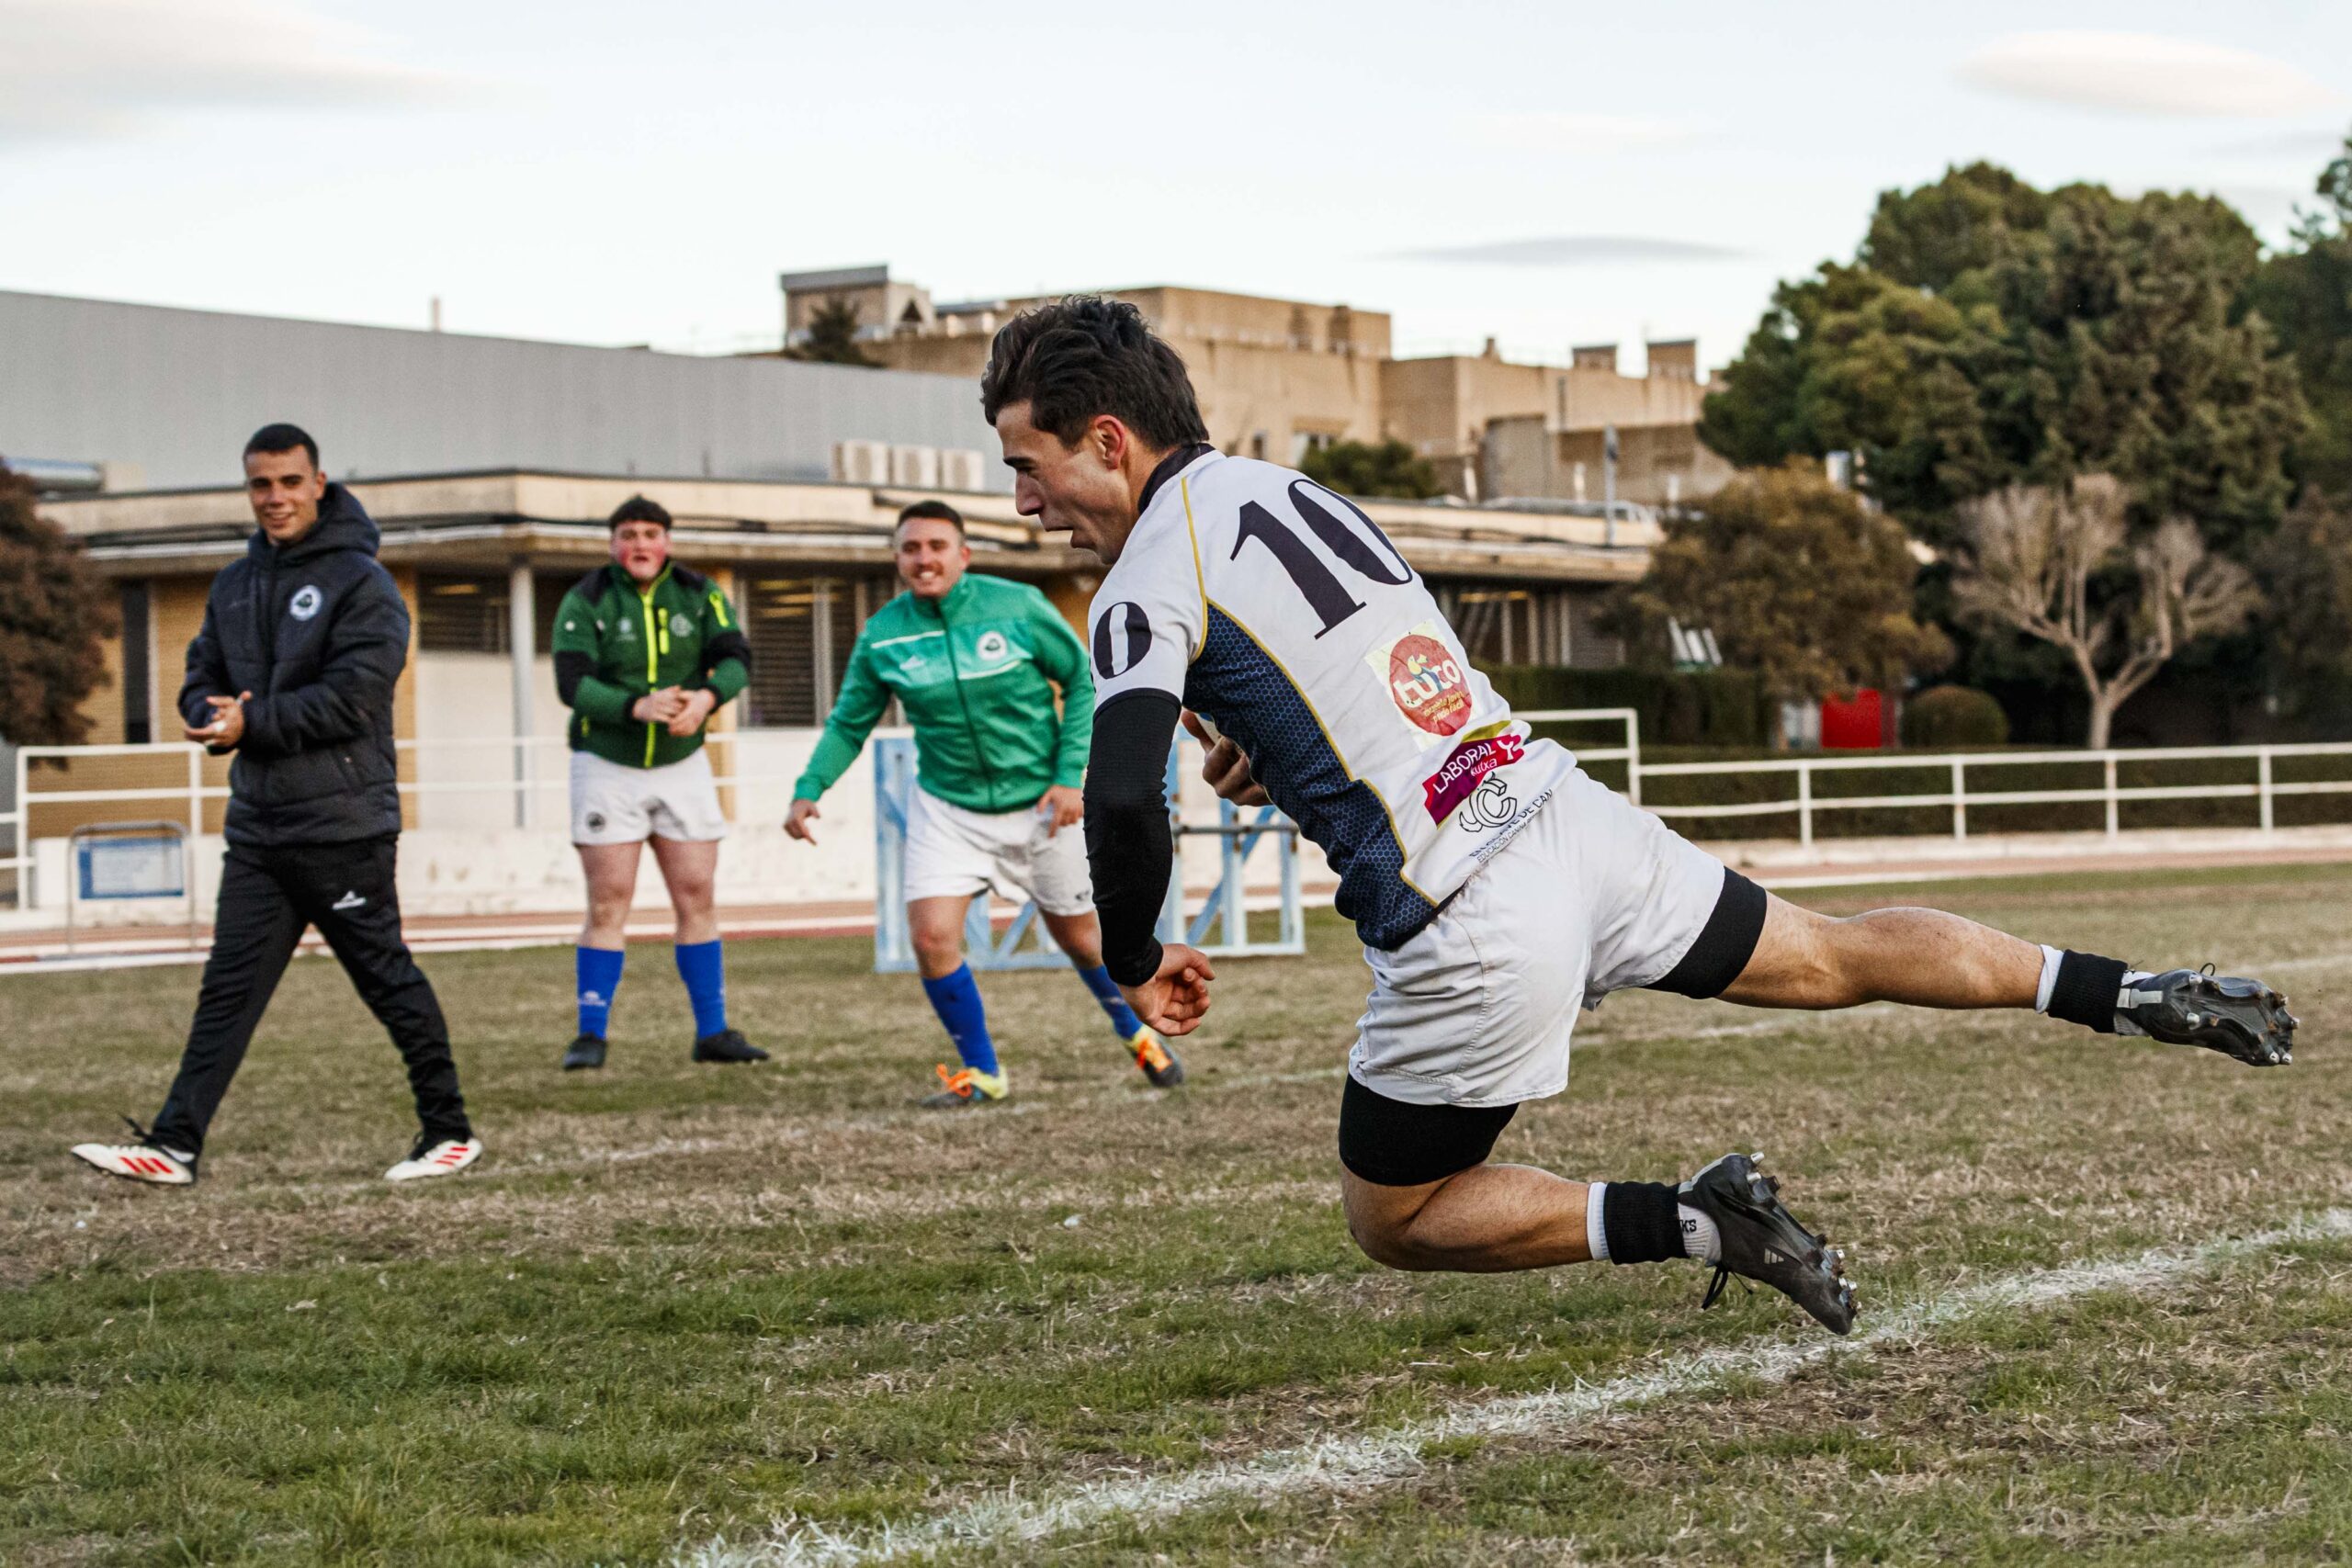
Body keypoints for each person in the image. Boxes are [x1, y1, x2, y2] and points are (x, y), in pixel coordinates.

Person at [982, 298, 2300, 1337]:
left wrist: (1135, 952)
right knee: (1832, 950)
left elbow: (1120, 795)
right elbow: (1355, 679)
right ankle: (2133, 992)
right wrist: (1284, 754)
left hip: (1469, 905)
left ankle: (1703, 1220)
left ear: (1108, 439)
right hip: (1569, 820)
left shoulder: (1147, 573)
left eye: (1027, 464)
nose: (1022, 500)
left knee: (1396, 1214)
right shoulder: (1289, 492)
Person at [72, 423, 481, 1186]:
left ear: (319, 483)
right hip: (260, 827)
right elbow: (201, 674)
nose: (275, 498)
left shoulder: (364, 582)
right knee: (227, 991)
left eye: (290, 482)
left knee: (386, 979)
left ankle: (449, 1132)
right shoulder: (234, 583)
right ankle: (174, 1144)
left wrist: (252, 720)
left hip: (342, 826)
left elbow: (354, 699)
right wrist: (208, 710)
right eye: (261, 484)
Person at [786, 500, 1184, 1107]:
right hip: (949, 809)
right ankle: (982, 1072)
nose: (925, 559)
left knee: (1082, 940)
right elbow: (849, 722)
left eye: (937, 546)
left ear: (963, 554)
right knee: (931, 938)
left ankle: (1136, 1033)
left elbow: (1081, 680)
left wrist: (1068, 776)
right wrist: (809, 789)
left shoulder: (1017, 605)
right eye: (912, 548)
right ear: (897, 559)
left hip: (1043, 806)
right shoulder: (884, 635)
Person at [550, 495, 765, 1070]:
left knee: (697, 894)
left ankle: (713, 1032)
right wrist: (634, 706)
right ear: (612, 543)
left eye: (650, 533)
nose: (639, 544)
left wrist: (707, 697)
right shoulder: (585, 599)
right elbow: (571, 684)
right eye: (627, 534)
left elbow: (737, 659)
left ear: (667, 541)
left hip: (683, 766)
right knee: (608, 901)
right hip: (605, 765)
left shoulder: (700, 594)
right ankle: (590, 1035)